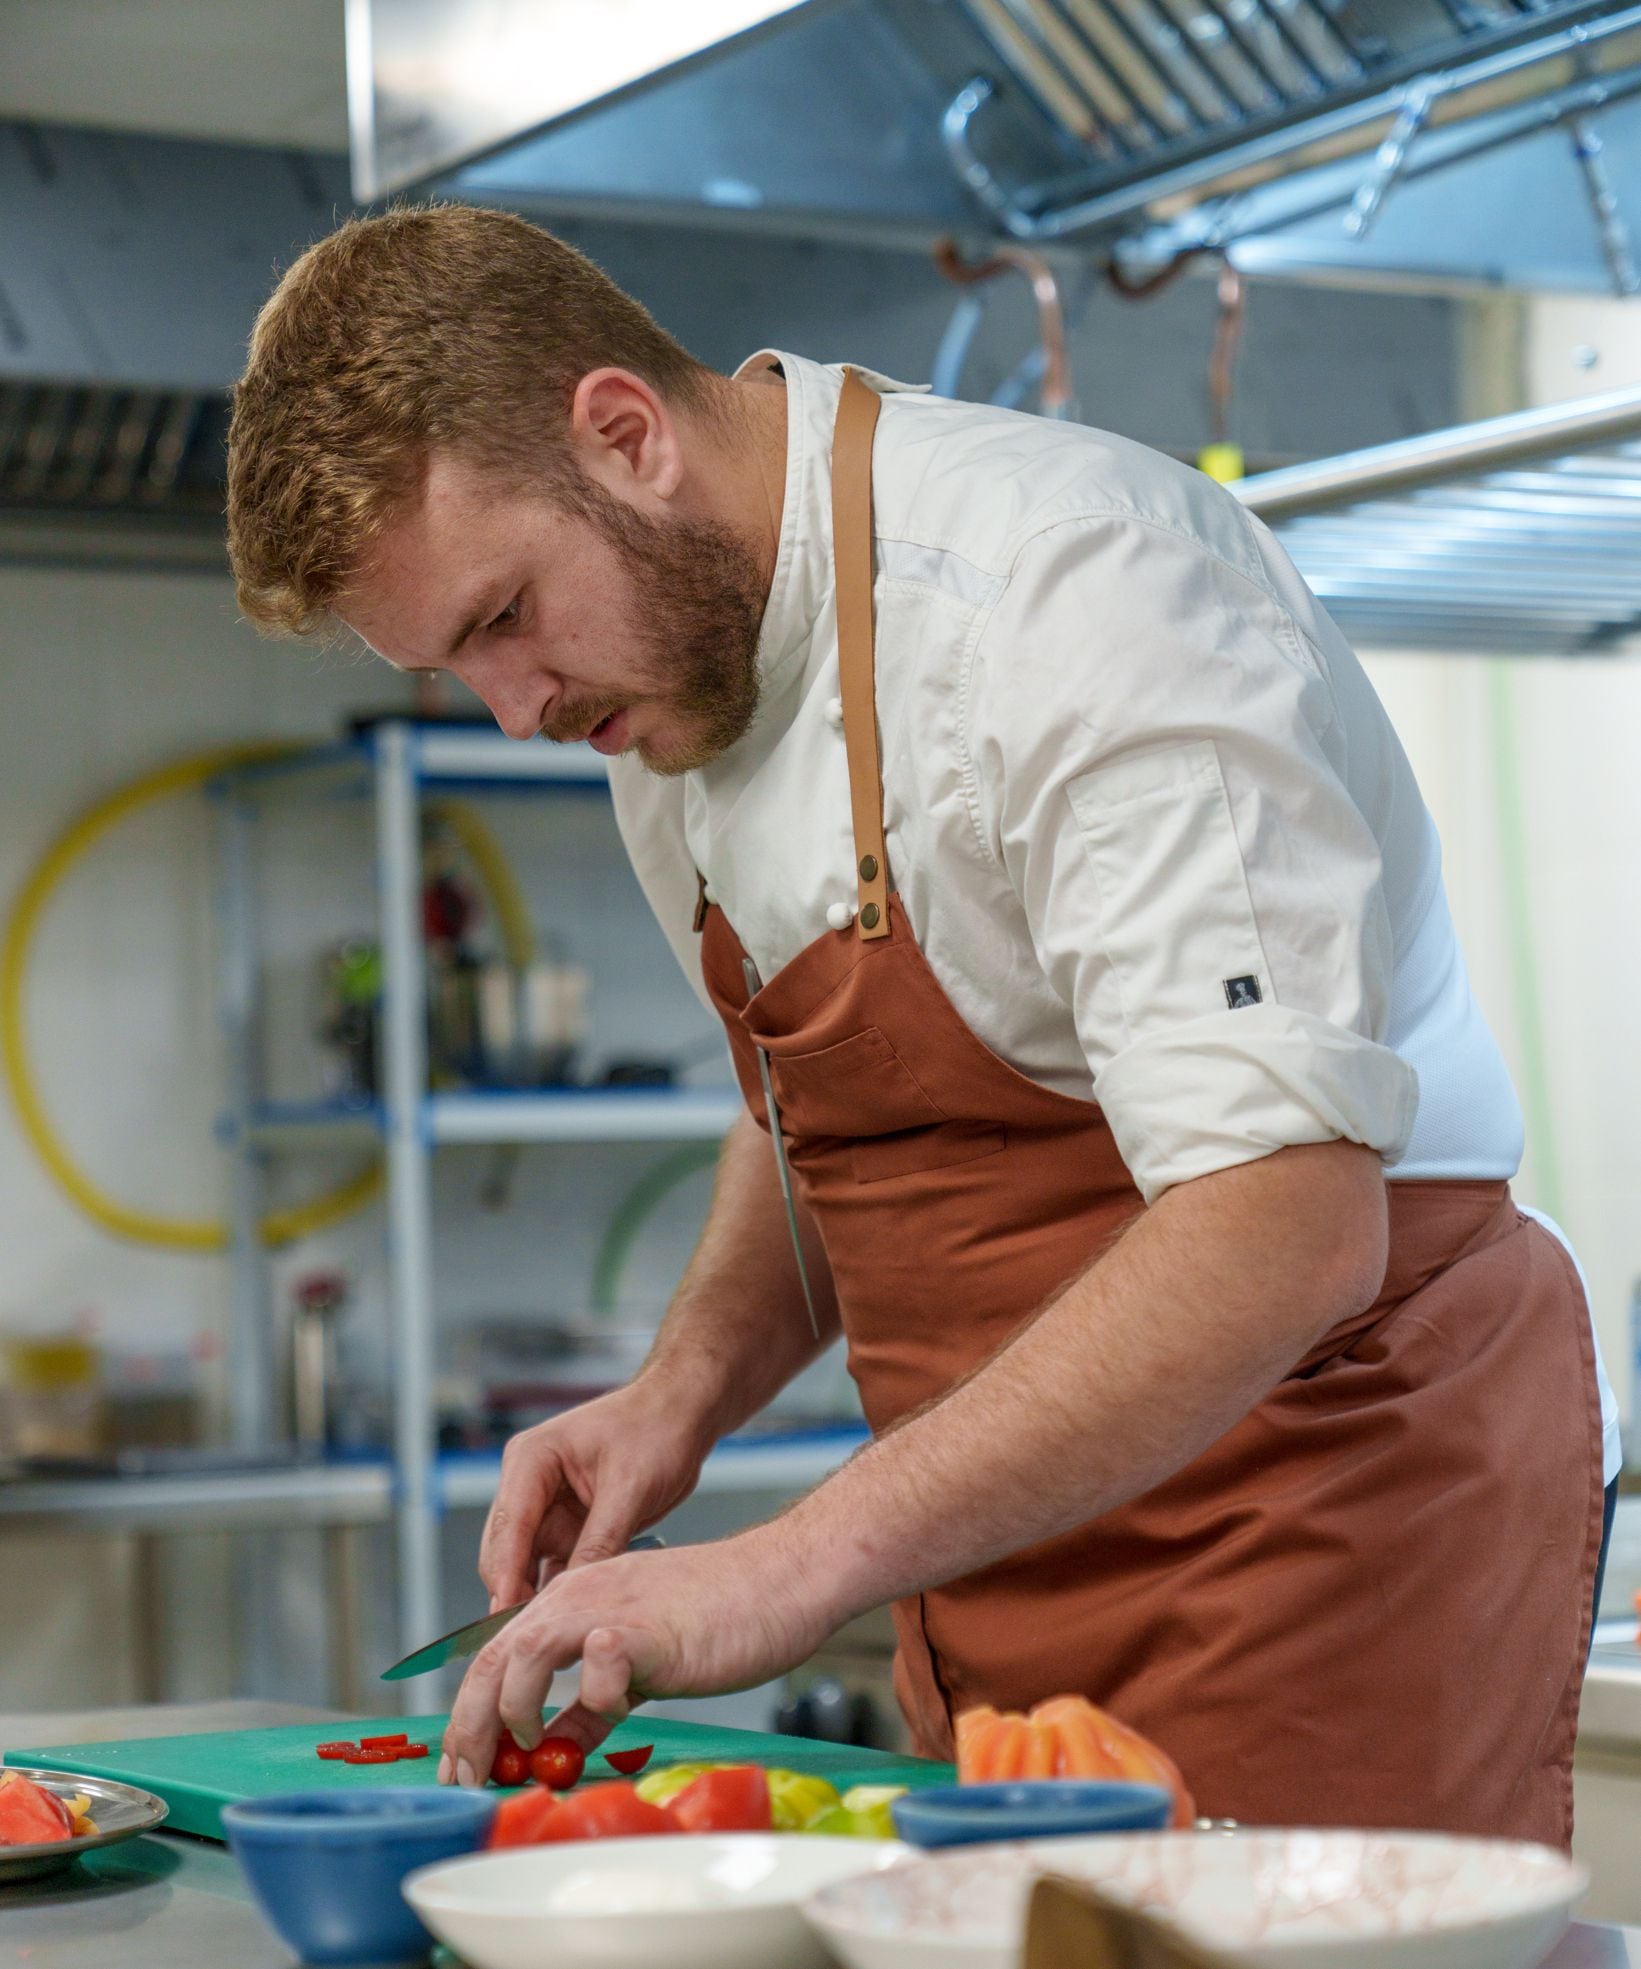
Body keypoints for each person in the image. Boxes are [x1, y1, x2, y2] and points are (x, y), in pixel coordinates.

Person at [226, 204, 1619, 1846]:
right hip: (988, 1545)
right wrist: (681, 1393)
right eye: (454, 669)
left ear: (623, 434)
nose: (518, 712)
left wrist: (792, 1559)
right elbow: (816, 1114)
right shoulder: (669, 709)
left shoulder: (1080, 595)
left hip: (1315, 1508)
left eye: (503, 617)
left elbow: (1282, 1222)